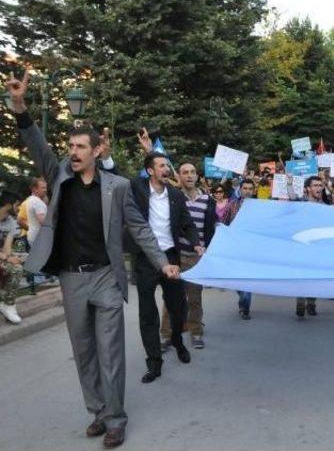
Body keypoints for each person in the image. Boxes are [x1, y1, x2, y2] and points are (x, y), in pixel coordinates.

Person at [6, 69, 179, 448]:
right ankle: (98, 411)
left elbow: (140, 228)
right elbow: (38, 146)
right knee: (83, 352)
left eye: (81, 147)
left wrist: (162, 260)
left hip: (104, 277)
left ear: (97, 151)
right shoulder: (59, 178)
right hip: (71, 279)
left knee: (110, 352)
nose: (73, 152)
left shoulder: (117, 188)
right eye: (71, 147)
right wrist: (19, 107)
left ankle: (116, 419)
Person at [130, 152, 204, 384]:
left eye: (168, 165)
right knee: (148, 313)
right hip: (145, 259)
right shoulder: (138, 189)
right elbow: (114, 175)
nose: (167, 169)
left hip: (171, 257)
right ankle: (154, 363)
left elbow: (187, 223)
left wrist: (196, 242)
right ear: (150, 171)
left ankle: (178, 342)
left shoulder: (175, 195)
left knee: (178, 307)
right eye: (161, 165)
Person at [159, 162, 216, 350]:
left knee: (194, 298)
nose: (189, 175)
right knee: (171, 298)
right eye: (185, 172)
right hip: (176, 256)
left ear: (197, 176)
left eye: (193, 172)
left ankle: (196, 331)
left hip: (197, 258)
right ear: (179, 177)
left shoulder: (208, 200)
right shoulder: (173, 198)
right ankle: (166, 335)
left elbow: (212, 226)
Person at [288, 175, 325, 318]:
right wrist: (290, 184)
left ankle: (311, 302)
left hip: (317, 248)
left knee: (315, 276)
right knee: (302, 276)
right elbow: (292, 197)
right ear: (308, 189)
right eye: (315, 185)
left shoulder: (324, 206)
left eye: (320, 185)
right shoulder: (301, 202)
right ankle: (300, 303)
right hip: (301, 247)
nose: (318, 188)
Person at [232, 178, 257, 319]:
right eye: (245, 188)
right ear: (240, 190)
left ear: (254, 191)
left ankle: (245, 307)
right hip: (236, 249)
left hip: (251, 249)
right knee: (237, 278)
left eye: (250, 189)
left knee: (247, 280)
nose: (247, 191)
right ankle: (242, 296)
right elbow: (224, 225)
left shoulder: (260, 208)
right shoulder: (232, 206)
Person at [0, 191, 25, 324]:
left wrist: (12, 257)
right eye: (17, 205)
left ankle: (8, 305)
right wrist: (6, 258)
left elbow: (7, 248)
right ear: (9, 205)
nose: (19, 208)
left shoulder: (10, 221)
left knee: (17, 268)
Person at [25, 177, 48, 247]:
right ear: (34, 189)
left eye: (46, 188)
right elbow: (44, 222)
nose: (45, 190)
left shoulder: (31, 199)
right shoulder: (37, 202)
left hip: (34, 237)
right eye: (43, 188)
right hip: (38, 238)